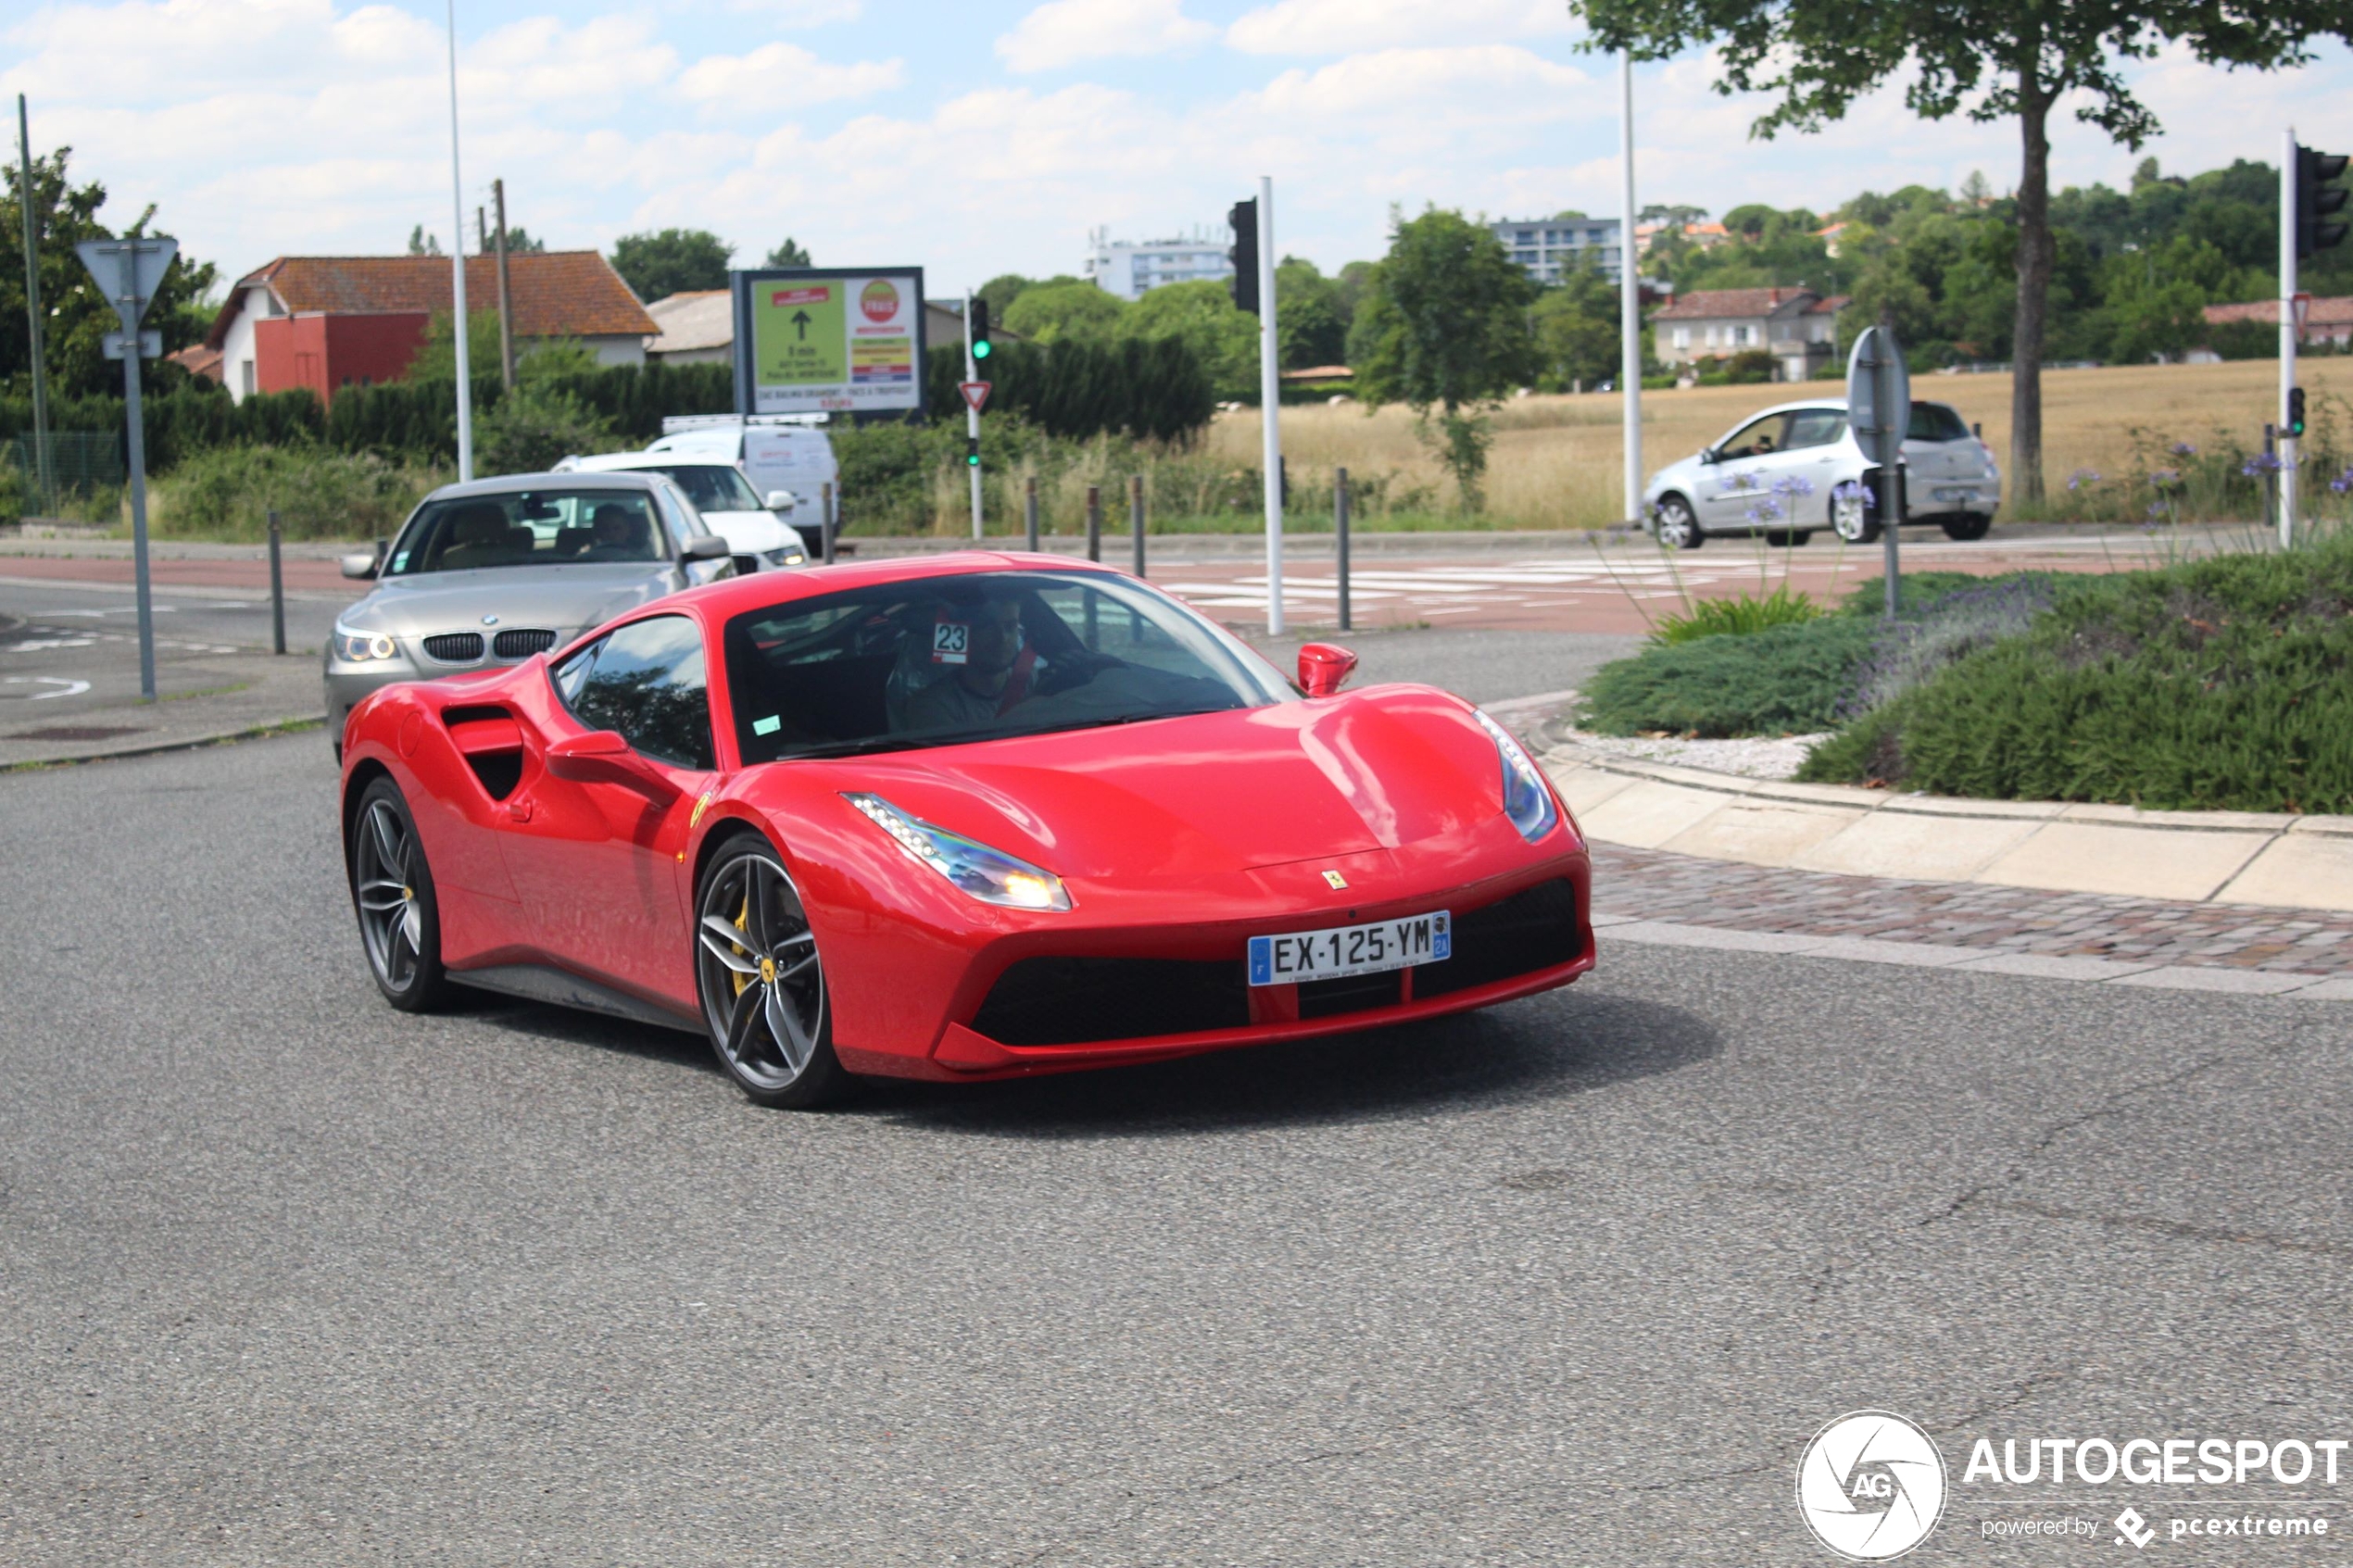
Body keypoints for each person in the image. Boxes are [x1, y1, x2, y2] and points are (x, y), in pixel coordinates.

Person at [901, 596, 1035, 732]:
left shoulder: (1034, 682)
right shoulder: (931, 705)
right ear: (963, 635)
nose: (1002, 638)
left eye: (1010, 626)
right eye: (987, 627)